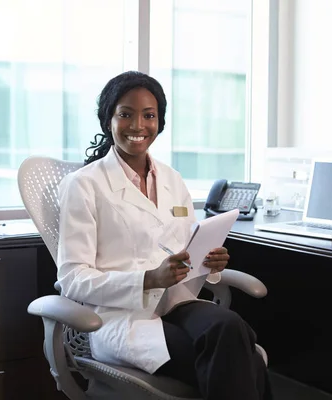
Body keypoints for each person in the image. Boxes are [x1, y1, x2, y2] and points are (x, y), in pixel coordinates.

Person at [56, 71, 272, 400]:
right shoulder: (84, 185)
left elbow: (187, 248)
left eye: (149, 115)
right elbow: (73, 279)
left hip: (176, 303)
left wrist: (210, 262)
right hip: (120, 316)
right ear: (108, 119)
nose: (138, 125)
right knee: (244, 358)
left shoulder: (172, 180)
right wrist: (148, 279)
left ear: (160, 121)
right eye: (125, 114)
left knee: (231, 329)